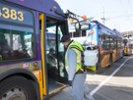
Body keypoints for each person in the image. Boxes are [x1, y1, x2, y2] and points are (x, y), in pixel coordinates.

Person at [61, 35, 92, 100]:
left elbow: (72, 65)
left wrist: (70, 79)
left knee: (77, 94)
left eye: (63, 43)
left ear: (66, 42)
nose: (64, 45)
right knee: (83, 91)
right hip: (82, 71)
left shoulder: (71, 49)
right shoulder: (76, 45)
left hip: (77, 74)